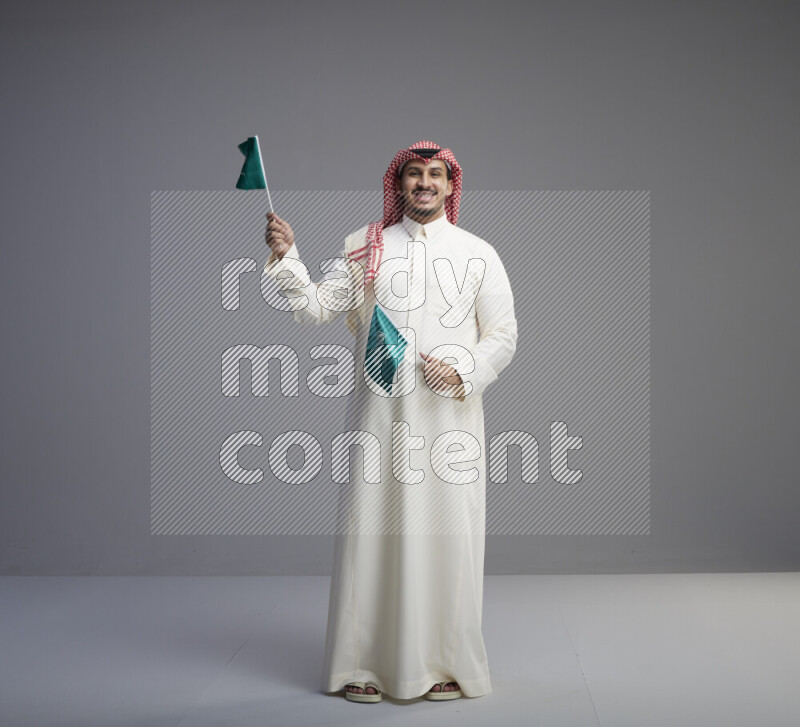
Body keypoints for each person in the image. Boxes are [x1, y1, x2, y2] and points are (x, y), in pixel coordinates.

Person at [263, 140, 518, 703]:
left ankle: (447, 664)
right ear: (398, 185)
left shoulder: (479, 253)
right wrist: (287, 257)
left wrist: (463, 368)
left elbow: (503, 335)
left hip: (450, 422)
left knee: (448, 539)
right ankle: (364, 667)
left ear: (451, 186)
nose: (423, 183)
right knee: (371, 535)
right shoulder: (364, 245)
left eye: (434, 175)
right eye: (413, 175)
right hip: (380, 420)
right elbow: (314, 308)